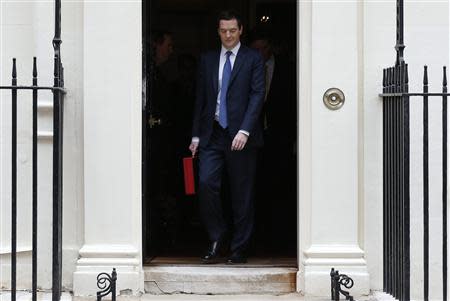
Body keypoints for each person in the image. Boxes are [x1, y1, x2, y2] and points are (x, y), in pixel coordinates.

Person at [189, 10, 265, 264]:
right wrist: (196, 136)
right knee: (206, 184)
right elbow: (201, 99)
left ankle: (240, 247)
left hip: (241, 136)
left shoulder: (253, 58)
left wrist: (245, 129)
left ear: (241, 29)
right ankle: (217, 236)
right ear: (218, 31)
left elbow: (257, 95)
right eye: (223, 31)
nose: (228, 35)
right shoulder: (208, 59)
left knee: (241, 193)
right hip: (212, 134)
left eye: (233, 30)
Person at [250, 28, 296, 252]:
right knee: (253, 189)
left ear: (271, 47)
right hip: (250, 138)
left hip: (279, 138)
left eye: (263, 49)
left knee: (279, 188)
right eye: (255, 49)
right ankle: (255, 239)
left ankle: (278, 240)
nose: (259, 54)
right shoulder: (246, 68)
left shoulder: (289, 69)